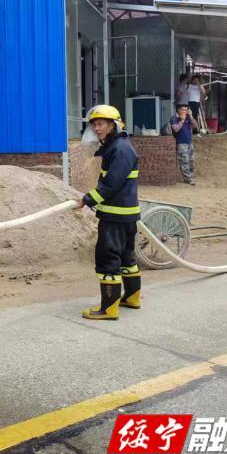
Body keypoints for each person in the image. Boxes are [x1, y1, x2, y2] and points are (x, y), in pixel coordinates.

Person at [75, 105, 141, 320]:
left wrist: (87, 199)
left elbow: (111, 184)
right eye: (94, 124)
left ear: (114, 125)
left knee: (107, 258)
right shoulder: (118, 146)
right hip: (124, 214)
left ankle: (108, 308)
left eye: (101, 124)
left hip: (115, 216)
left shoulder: (120, 149)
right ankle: (132, 297)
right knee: (126, 257)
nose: (97, 128)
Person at [170, 103, 196, 185]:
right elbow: (176, 129)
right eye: (183, 110)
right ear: (178, 110)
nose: (185, 111)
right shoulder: (174, 118)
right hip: (181, 143)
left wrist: (191, 116)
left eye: (186, 110)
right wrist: (182, 121)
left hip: (189, 142)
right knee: (184, 161)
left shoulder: (188, 117)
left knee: (191, 161)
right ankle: (188, 178)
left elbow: (195, 127)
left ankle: (190, 176)